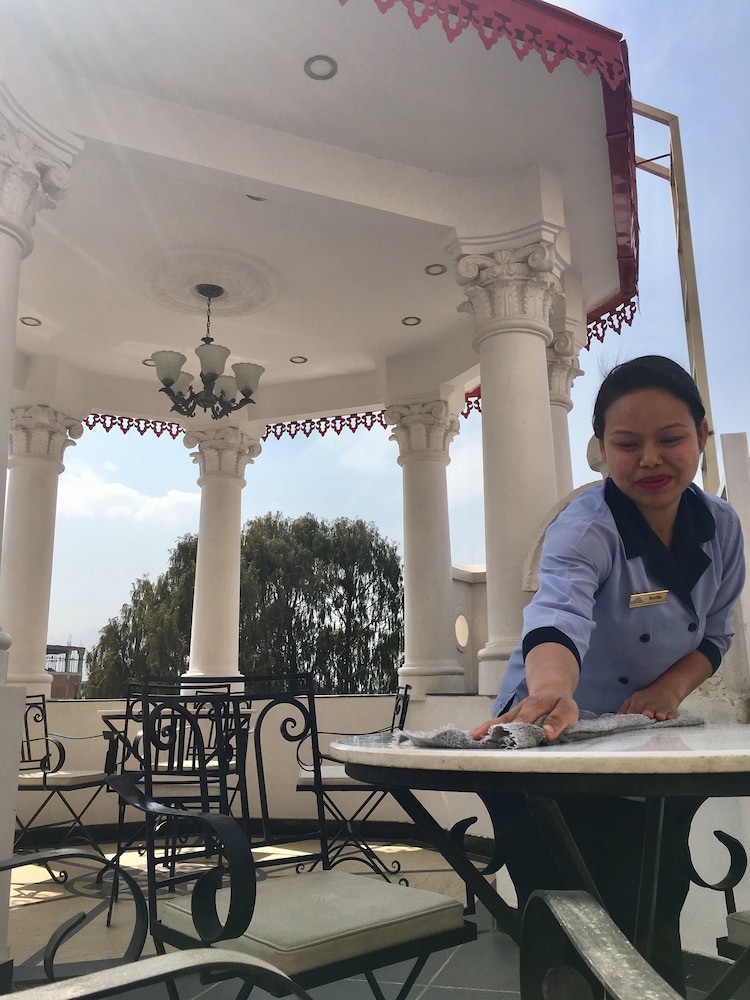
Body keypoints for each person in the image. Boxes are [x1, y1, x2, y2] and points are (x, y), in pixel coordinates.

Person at [470, 355, 745, 994]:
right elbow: (556, 615)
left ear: (701, 436)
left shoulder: (723, 529)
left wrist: (667, 690)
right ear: (600, 450)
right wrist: (551, 690)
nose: (650, 459)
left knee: (653, 908)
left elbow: (715, 636)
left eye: (670, 438)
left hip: (642, 747)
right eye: (626, 444)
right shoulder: (585, 526)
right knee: (565, 930)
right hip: (548, 743)